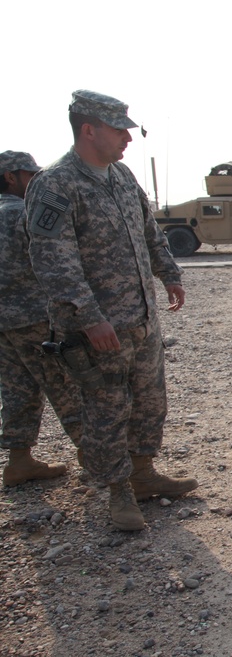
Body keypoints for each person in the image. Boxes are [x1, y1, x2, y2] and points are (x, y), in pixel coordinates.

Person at [25, 90, 197, 531]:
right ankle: (118, 494)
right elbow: (52, 258)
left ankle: (142, 474)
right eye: (119, 128)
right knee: (105, 408)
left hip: (139, 319)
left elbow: (148, 230)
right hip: (97, 329)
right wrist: (89, 317)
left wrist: (169, 272)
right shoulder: (55, 184)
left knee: (149, 400)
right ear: (89, 129)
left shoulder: (120, 176)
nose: (127, 137)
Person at [1, 151, 83, 487]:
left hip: (3, 325)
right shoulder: (22, 213)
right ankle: (101, 464)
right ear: (10, 177)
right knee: (67, 388)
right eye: (28, 174)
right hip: (35, 319)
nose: (35, 180)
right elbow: (56, 259)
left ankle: (19, 462)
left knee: (17, 390)